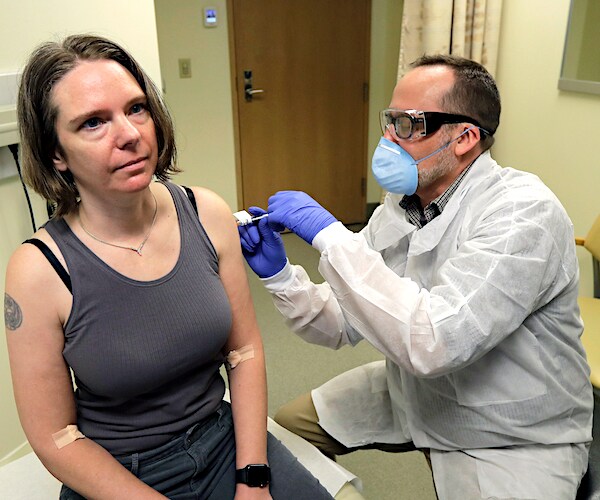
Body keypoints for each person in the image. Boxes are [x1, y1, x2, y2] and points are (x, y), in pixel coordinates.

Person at [238, 54, 594, 499]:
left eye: (409, 124)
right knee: (289, 434)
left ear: (465, 137)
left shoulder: (523, 213)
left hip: (511, 430)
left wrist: (334, 239)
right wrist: (281, 277)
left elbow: (437, 340)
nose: (388, 137)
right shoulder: (401, 206)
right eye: (390, 121)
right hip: (418, 392)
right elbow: (341, 322)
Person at [4, 34, 333, 500]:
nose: (130, 134)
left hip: (224, 442)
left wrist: (253, 478)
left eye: (136, 108)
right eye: (94, 122)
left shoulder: (207, 213)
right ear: (55, 153)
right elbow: (56, 438)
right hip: (119, 475)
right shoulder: (38, 271)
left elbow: (244, 352)